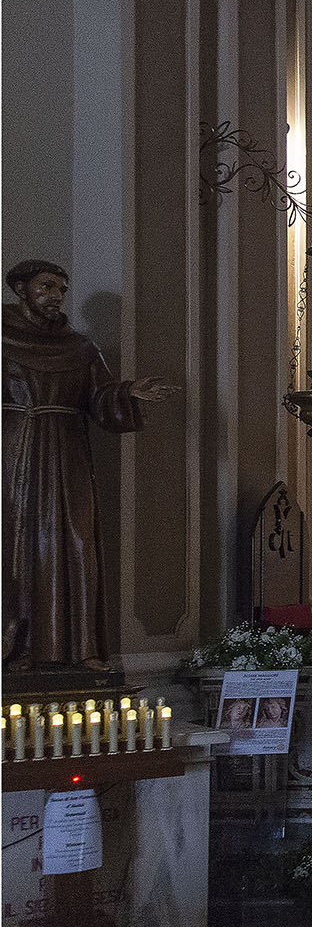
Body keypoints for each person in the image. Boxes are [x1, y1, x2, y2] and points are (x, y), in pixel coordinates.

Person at [4, 260, 174, 670]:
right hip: (12, 452)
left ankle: (78, 650)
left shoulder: (80, 348)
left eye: (62, 289)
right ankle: (16, 648)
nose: (57, 296)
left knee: (75, 543)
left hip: (68, 454)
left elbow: (99, 400)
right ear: (21, 289)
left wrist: (127, 392)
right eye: (47, 286)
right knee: (16, 545)